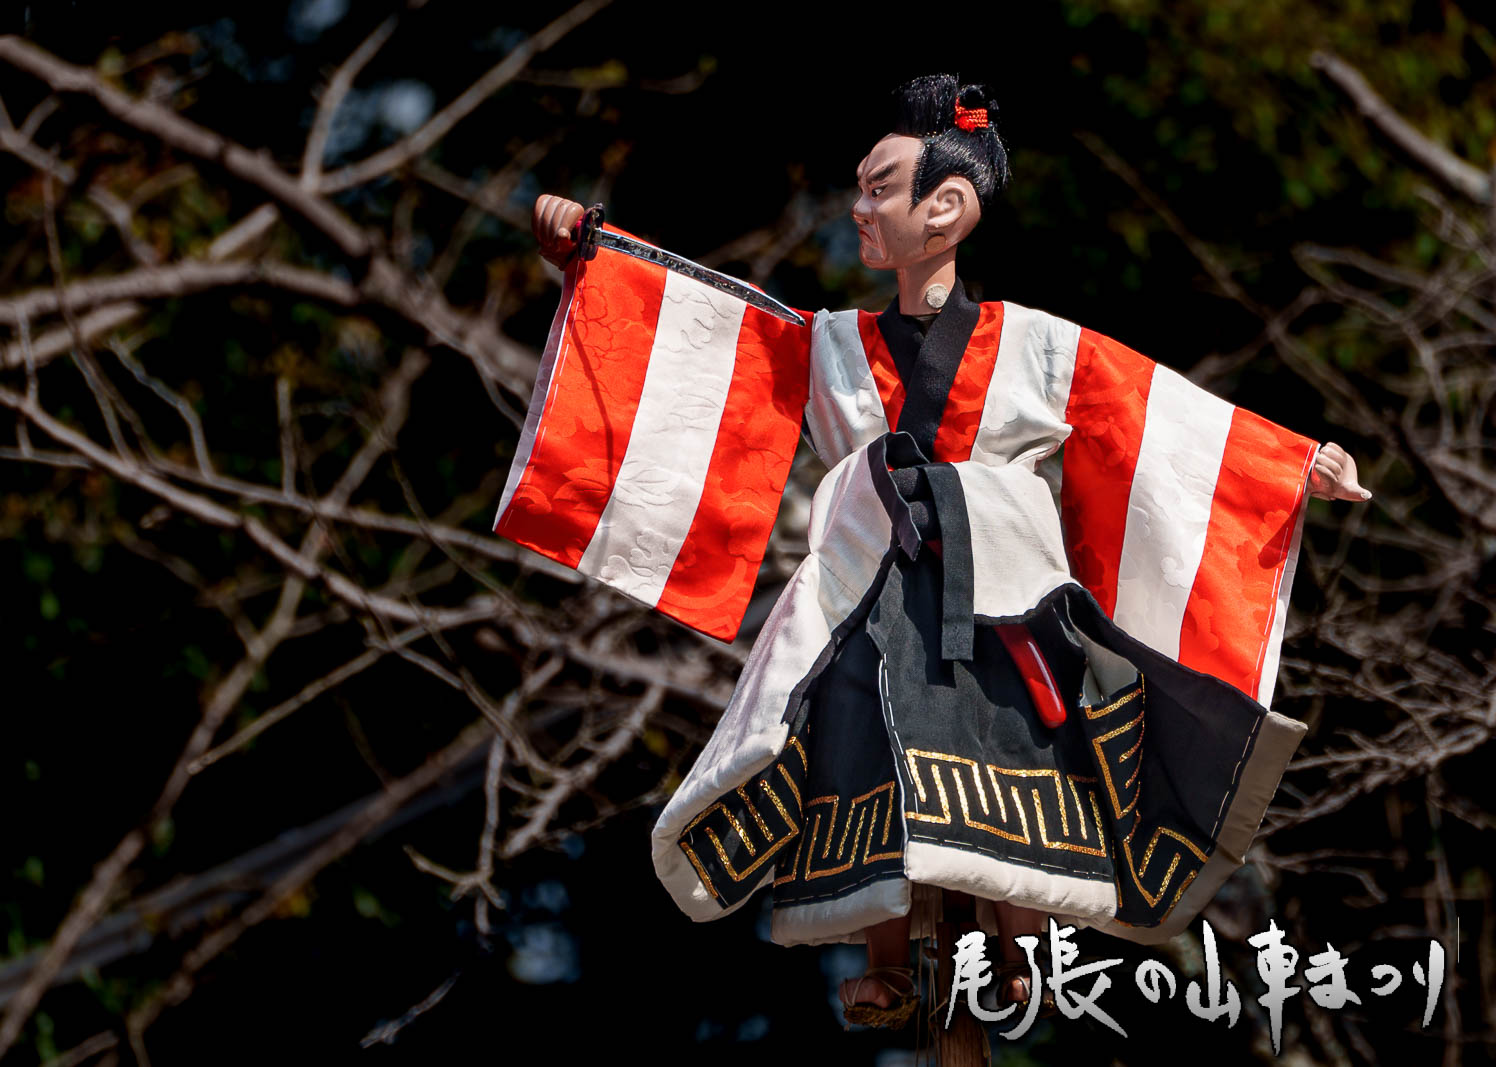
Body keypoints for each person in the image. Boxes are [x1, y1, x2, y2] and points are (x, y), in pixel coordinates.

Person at [514, 75, 1368, 1028]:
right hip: (868, 594)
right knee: (865, 751)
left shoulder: (1037, 346)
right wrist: (590, 261)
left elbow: (1153, 417)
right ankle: (884, 959)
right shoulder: (831, 345)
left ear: (947, 208)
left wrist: (1291, 462)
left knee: (1018, 743)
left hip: (1006, 598)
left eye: (878, 187)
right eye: (862, 188)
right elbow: (713, 345)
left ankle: (1015, 949)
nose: (858, 208)